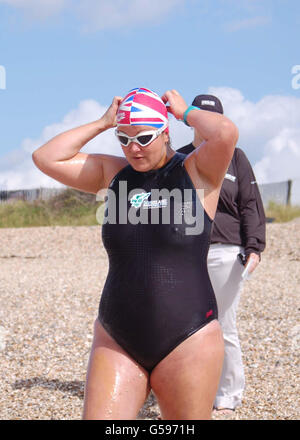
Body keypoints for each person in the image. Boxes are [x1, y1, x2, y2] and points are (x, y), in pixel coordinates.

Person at [32, 87, 238, 420]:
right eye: (123, 139)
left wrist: (184, 112)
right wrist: (102, 123)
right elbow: (46, 158)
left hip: (189, 338)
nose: (133, 148)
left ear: (165, 132)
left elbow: (225, 132)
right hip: (117, 335)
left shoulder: (197, 172)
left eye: (143, 137)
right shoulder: (112, 175)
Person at [178, 94, 266, 412]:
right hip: (187, 254)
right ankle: (190, 388)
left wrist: (254, 246)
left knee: (221, 323)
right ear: (191, 120)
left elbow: (251, 204)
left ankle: (229, 392)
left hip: (226, 252)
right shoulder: (179, 158)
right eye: (200, 116)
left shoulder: (237, 158)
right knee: (187, 325)